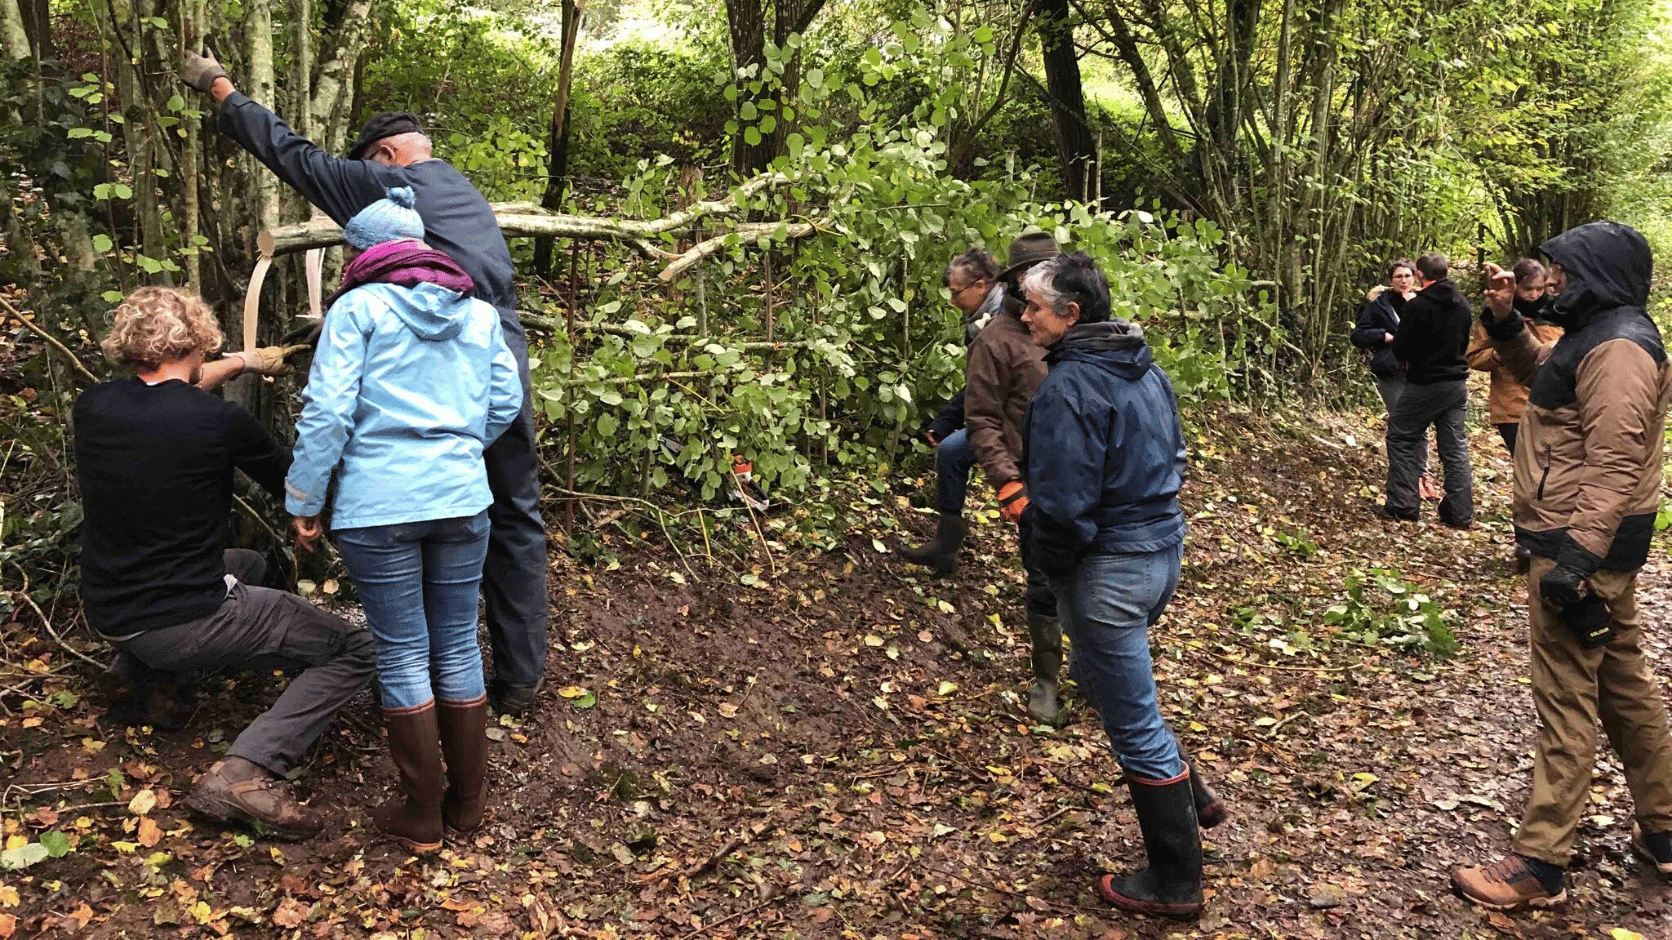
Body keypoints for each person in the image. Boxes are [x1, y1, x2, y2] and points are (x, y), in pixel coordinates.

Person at [179, 51, 549, 715]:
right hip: (500, 350)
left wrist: (220, 88)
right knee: (515, 511)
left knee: (397, 493)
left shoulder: (387, 186)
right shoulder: (464, 193)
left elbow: (290, 154)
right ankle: (521, 678)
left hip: (434, 367)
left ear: (383, 156)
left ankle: (416, 670)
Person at [74, 287, 376, 839]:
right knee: (360, 648)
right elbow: (294, 484)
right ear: (197, 342)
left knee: (249, 562)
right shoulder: (218, 423)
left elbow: (168, 392)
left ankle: (146, 680)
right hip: (186, 618)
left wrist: (244, 362)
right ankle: (246, 771)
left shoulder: (94, 407)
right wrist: (310, 510)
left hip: (111, 608)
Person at [286, 188, 522, 853]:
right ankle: (467, 805)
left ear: (363, 254)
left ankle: (422, 813)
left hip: (377, 504)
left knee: (402, 647)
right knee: (455, 640)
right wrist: (456, 447)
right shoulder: (476, 314)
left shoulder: (358, 309)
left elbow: (329, 412)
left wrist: (305, 499)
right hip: (461, 497)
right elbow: (505, 398)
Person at [1452, 221, 1672, 911]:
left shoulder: (1620, 350)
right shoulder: (1593, 335)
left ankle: (1541, 862)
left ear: (1599, 275)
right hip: (1592, 544)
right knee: (1624, 689)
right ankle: (1665, 831)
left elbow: (1614, 465)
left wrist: (1572, 563)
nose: (1552, 284)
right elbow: (1539, 381)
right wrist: (1506, 320)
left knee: (1566, 699)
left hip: (1582, 545)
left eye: (1563, 274)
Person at [1017, 252, 1206, 919]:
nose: (1024, 315)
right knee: (1102, 680)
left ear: (1070, 315)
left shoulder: (1071, 387)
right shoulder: (1142, 366)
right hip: (1161, 554)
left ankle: (1177, 880)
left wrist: (1048, 563)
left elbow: (1066, 507)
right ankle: (1195, 795)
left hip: (1112, 570)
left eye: (1034, 306)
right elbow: (1177, 457)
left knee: (1131, 722)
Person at [964, 232, 1062, 723]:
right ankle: (1046, 679)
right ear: (1017, 282)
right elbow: (980, 418)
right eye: (1034, 272)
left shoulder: (1074, 327)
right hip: (1033, 479)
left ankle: (1094, 670)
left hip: (1087, 475)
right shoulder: (995, 340)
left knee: (1094, 577)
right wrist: (1007, 482)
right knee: (1043, 577)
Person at [903, 248, 1006, 574]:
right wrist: (947, 421)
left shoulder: (1010, 318)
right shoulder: (978, 321)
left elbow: (999, 382)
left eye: (955, 292)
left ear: (980, 284)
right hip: (996, 412)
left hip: (1024, 416)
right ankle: (946, 549)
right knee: (951, 452)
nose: (952, 300)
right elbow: (980, 382)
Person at [1465, 258, 1563, 569]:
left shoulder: (1558, 314)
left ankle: (1550, 539)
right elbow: (1474, 357)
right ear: (1516, 286)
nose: (1534, 294)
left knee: (1551, 474)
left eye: (1539, 288)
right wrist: (1500, 352)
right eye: (1528, 288)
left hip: (1552, 405)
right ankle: (1526, 541)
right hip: (1513, 407)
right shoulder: (1495, 313)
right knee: (1529, 474)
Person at [1382, 252, 1473, 526]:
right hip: (1457, 384)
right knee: (1455, 447)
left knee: (1401, 436)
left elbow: (1401, 348)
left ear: (1420, 274)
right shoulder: (1463, 305)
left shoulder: (1417, 307)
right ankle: (1460, 511)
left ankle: (1403, 504)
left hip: (1425, 384)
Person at [1352, 260, 1441, 502]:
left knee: (1421, 424)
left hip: (1421, 370)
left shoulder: (1427, 301)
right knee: (1402, 422)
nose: (1404, 280)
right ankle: (1404, 478)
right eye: (1399, 276)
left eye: (1408, 276)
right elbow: (1358, 335)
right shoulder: (1380, 304)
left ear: (1415, 278)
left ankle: (1422, 475)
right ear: (1391, 280)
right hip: (1392, 371)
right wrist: (1384, 336)